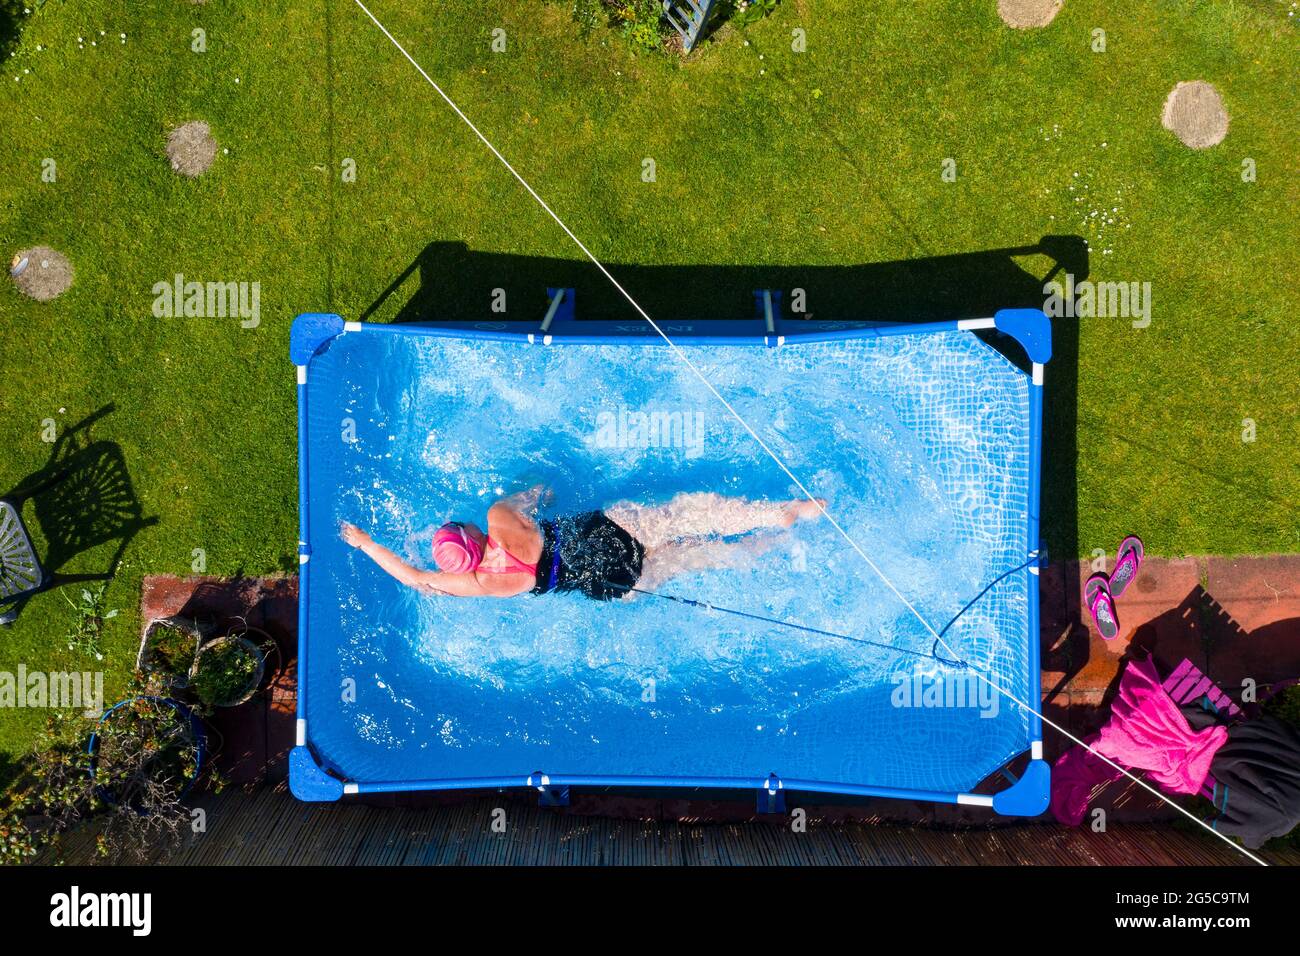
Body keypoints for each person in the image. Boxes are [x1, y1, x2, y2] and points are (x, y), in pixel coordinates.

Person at [340, 484, 825, 601]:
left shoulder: (480, 585)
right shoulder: (498, 517)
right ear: (472, 534)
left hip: (611, 582)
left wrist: (364, 544)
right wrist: (540, 493)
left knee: (705, 558)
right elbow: (539, 492)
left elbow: (415, 577)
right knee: (687, 513)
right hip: (607, 533)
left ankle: (761, 545)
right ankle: (781, 513)